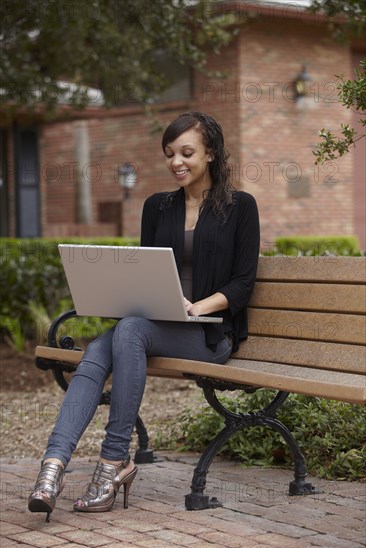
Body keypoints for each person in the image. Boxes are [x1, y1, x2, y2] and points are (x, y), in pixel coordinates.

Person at [28, 111, 260, 520]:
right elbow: (144, 271)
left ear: (211, 154)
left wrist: (197, 307)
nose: (176, 162)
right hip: (152, 325)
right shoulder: (158, 207)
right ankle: (53, 466)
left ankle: (114, 461)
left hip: (207, 334)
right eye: (170, 154)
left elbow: (243, 282)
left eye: (187, 152)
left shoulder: (241, 207)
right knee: (98, 352)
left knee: (128, 331)